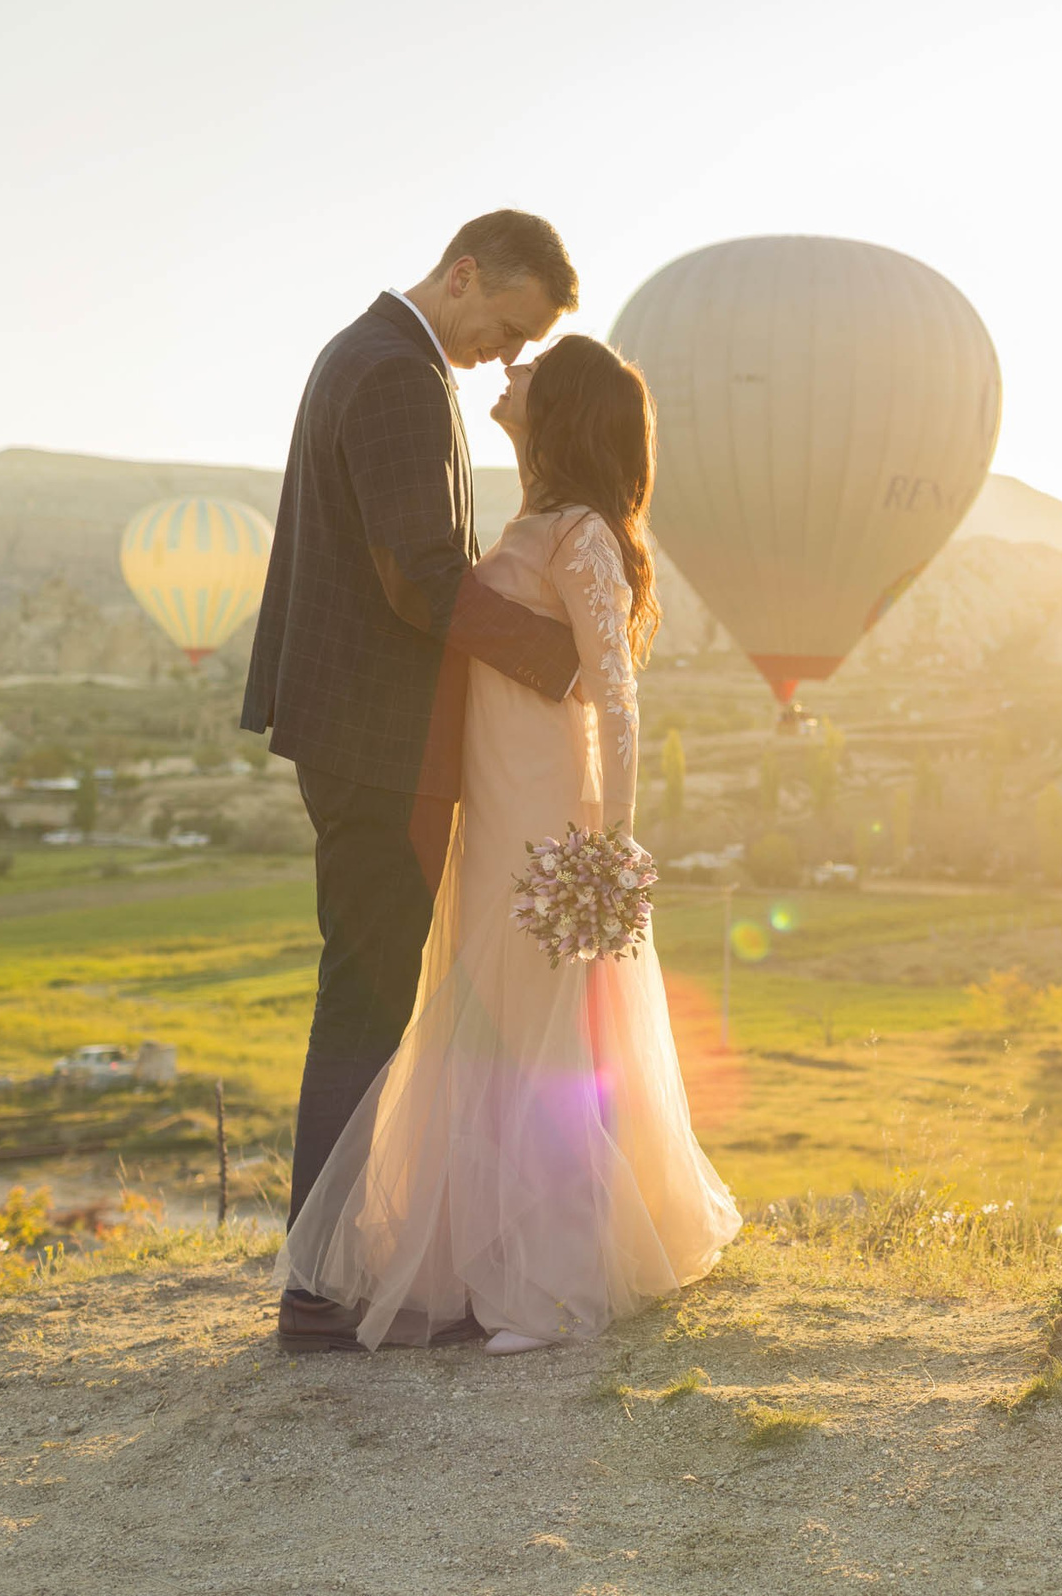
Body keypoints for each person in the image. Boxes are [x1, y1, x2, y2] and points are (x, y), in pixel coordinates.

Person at [274, 334, 741, 1353]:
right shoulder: (541, 517)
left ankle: (555, 1286)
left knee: (540, 1041)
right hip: (494, 807)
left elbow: (618, 700)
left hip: (546, 816)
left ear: (563, 405)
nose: (510, 370)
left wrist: (607, 849)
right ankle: (490, 1263)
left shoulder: (579, 532)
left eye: (535, 368)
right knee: (487, 1033)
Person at [242, 211, 586, 1352]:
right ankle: (321, 1291)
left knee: (374, 993)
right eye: (507, 324)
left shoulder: (373, 354)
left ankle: (342, 1271)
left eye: (525, 342)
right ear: (465, 271)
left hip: (360, 734)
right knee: (368, 1000)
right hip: (380, 742)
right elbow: (418, 575)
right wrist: (554, 659)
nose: (504, 355)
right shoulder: (394, 373)